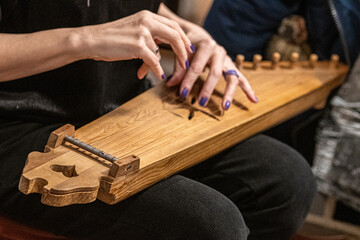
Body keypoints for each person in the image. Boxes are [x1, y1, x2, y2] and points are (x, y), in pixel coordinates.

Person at [0, 1, 316, 239]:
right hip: (17, 120)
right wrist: (84, 40)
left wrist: (188, 32)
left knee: (287, 181)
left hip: (118, 104)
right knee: (211, 225)